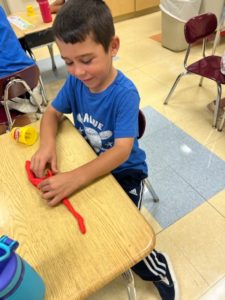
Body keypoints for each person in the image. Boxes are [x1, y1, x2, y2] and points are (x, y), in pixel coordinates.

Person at [30, 1, 179, 299]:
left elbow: (122, 151)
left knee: (124, 237)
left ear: (113, 46)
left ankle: (158, 267)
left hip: (126, 173)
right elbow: (50, 114)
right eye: (68, 62)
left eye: (86, 59)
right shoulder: (75, 84)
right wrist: (47, 144)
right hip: (91, 164)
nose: (78, 71)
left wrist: (74, 178)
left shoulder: (124, 93)